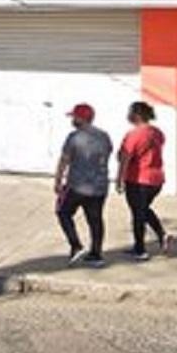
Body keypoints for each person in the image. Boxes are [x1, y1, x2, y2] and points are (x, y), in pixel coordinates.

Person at [54, 102, 112, 266]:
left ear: (80, 118)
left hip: (77, 186)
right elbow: (107, 154)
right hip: (99, 186)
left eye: (74, 117)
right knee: (95, 220)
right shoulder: (103, 136)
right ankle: (96, 254)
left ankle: (76, 245)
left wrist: (58, 181)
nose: (72, 120)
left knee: (63, 212)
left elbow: (64, 160)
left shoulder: (74, 137)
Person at [117, 101, 171, 261]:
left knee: (138, 215)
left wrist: (119, 180)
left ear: (136, 115)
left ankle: (140, 249)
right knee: (144, 209)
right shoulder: (157, 132)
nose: (128, 115)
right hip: (156, 179)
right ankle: (162, 235)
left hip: (138, 180)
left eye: (130, 112)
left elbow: (125, 159)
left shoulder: (133, 135)